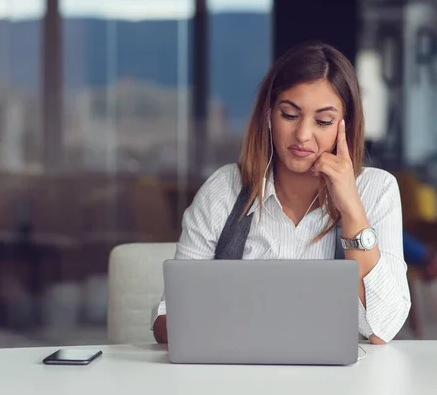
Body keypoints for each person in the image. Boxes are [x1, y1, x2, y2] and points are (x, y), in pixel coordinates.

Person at [151, 41, 411, 345]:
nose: (302, 135)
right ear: (269, 115)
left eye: (323, 121)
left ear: (345, 125)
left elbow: (382, 329)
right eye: (289, 114)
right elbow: (166, 324)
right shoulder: (224, 189)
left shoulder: (378, 190)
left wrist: (353, 211)